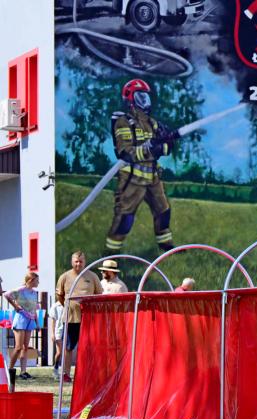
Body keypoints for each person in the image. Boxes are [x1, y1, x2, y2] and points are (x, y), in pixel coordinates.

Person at [106, 78, 180, 253]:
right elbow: (125, 152)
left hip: (153, 178)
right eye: (140, 97)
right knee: (125, 219)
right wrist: (151, 151)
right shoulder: (124, 122)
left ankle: (166, 247)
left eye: (146, 97)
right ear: (130, 99)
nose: (145, 101)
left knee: (163, 211)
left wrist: (165, 145)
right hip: (133, 179)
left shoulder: (152, 123)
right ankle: (111, 254)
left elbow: (166, 147)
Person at [56, 251, 103, 383]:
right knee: (68, 347)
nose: (78, 264)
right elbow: (60, 295)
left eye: (81, 261)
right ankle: (66, 374)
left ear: (85, 262)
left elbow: (99, 295)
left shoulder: (92, 276)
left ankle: (87, 373)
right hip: (70, 318)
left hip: (89, 319)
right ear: (72, 262)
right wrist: (69, 306)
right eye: (76, 261)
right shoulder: (64, 277)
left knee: (88, 347)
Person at [3, 272, 40, 380]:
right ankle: (10, 370)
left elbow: (34, 309)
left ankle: (23, 372)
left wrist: (37, 323)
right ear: (31, 280)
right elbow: (6, 295)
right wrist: (15, 306)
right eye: (37, 281)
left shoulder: (34, 293)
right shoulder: (21, 290)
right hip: (20, 320)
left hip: (30, 320)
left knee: (25, 347)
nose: (38, 283)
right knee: (18, 347)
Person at [47, 291, 66, 380]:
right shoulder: (55, 306)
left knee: (66, 351)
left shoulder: (68, 304)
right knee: (59, 352)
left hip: (67, 329)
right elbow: (53, 321)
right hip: (59, 330)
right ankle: (56, 367)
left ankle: (64, 371)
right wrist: (53, 333)